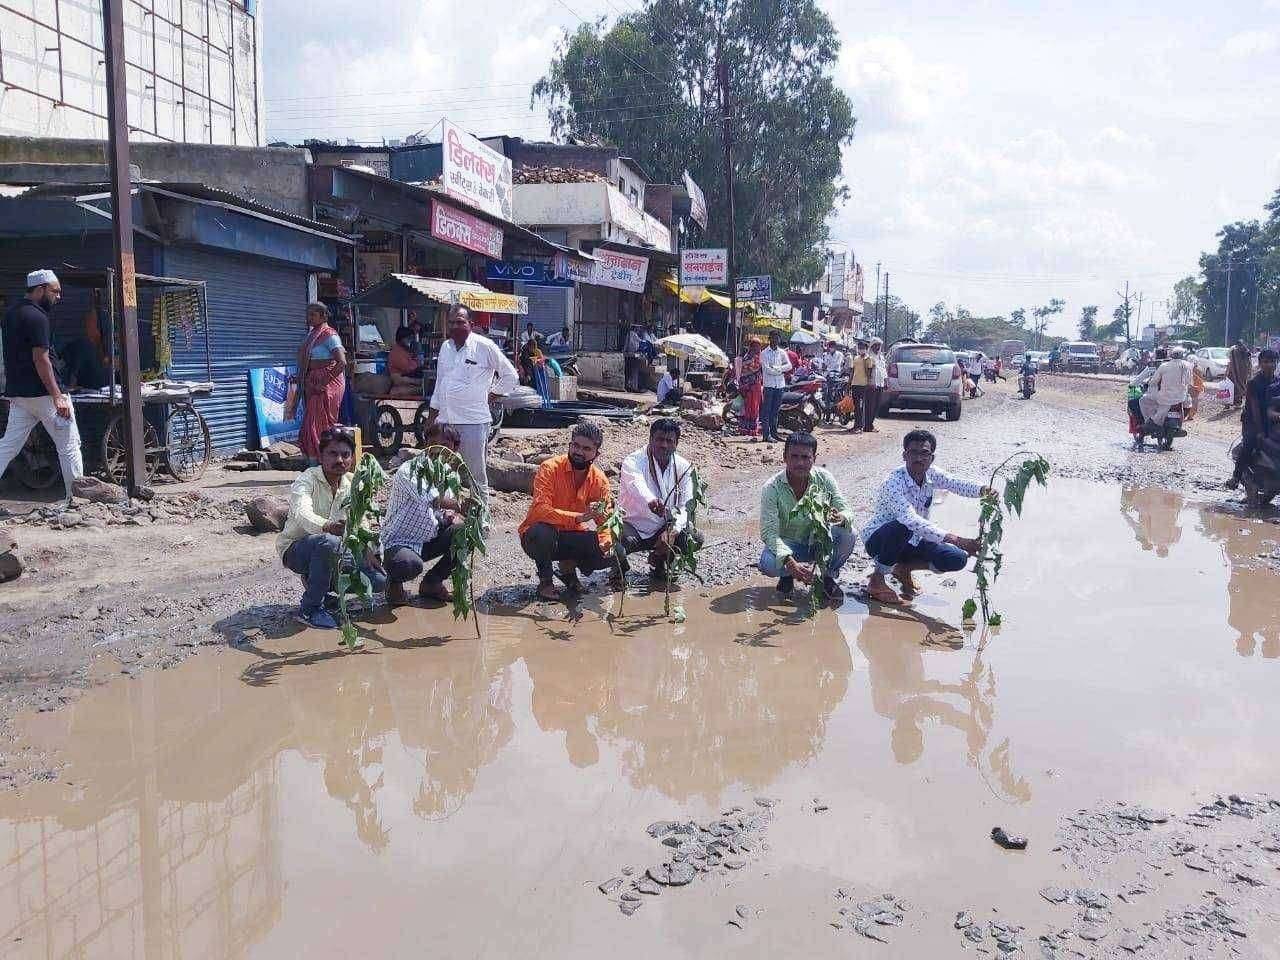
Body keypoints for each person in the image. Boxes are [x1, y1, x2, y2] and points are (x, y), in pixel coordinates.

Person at [862, 429, 991, 605]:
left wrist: (983, 490)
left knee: (957, 558)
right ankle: (877, 580)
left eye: (924, 453)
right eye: (913, 452)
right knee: (904, 526)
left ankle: (903, 569)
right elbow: (910, 520)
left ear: (932, 458)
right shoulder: (892, 483)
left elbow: (955, 483)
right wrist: (957, 539)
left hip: (913, 540)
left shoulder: (931, 474)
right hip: (880, 541)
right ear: (904, 455)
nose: (919, 458)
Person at [278, 427, 386, 630]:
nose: (340, 460)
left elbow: (362, 520)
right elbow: (302, 513)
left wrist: (367, 549)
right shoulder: (307, 479)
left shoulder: (353, 483)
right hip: (297, 550)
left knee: (378, 580)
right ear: (321, 456)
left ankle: (319, 587)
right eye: (333, 454)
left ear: (352, 457)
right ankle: (310, 609)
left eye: (345, 455)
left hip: (335, 551)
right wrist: (327, 526)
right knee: (329, 542)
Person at [424, 304, 519, 512]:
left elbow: (511, 376)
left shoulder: (484, 346)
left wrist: (492, 394)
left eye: (460, 322)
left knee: (476, 476)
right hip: (445, 423)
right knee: (441, 472)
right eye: (451, 323)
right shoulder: (445, 348)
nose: (455, 326)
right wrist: (431, 418)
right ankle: (441, 517)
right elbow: (440, 384)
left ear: (471, 324)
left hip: (473, 424)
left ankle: (481, 519)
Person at [0, 270, 84, 501]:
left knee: (8, 447)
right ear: (40, 290)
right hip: (45, 395)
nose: (59, 297)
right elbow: (41, 359)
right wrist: (57, 395)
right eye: (55, 291)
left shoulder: (11, 314)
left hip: (20, 395)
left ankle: (76, 498)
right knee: (69, 445)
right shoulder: (37, 318)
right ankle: (77, 500)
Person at [518, 422, 626, 601]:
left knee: (617, 551)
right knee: (541, 532)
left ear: (596, 454)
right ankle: (545, 582)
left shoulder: (599, 480)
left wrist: (606, 542)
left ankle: (567, 570)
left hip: (572, 536)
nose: (579, 452)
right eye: (575, 445)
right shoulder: (550, 468)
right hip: (538, 537)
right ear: (570, 445)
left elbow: (605, 522)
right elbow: (540, 510)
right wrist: (578, 517)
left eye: (586, 448)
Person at [758, 432, 857, 599]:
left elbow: (846, 510)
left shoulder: (824, 478)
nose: (800, 463)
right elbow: (769, 532)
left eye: (805, 457)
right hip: (789, 545)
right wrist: (790, 563)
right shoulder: (772, 487)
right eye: (794, 456)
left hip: (818, 543)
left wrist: (840, 517)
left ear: (814, 459)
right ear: (784, 457)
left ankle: (827, 577)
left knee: (849, 533)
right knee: (768, 563)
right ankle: (787, 576)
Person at [381, 425, 463, 607]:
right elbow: (433, 499)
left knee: (465, 533)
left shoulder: (450, 475)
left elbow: (444, 509)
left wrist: (451, 515)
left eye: (444, 445)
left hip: (427, 538)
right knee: (408, 564)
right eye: (433, 443)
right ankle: (394, 583)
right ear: (426, 444)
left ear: (454, 449)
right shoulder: (409, 470)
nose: (438, 450)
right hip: (399, 542)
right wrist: (459, 506)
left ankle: (432, 582)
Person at [618, 417, 704, 579]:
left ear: (676, 444)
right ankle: (619, 571)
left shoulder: (684, 467)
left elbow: (686, 505)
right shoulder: (633, 461)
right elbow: (637, 486)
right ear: (650, 439)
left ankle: (659, 559)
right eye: (659, 439)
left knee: (694, 538)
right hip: (634, 526)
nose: (663, 445)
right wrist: (651, 501)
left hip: (663, 527)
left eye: (669, 441)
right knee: (615, 540)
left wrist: (673, 531)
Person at [295, 302, 347, 461]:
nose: (309, 318)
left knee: (318, 424)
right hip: (313, 383)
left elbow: (342, 362)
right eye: (308, 315)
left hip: (327, 385)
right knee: (310, 424)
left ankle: (322, 461)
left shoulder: (330, 335)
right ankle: (315, 461)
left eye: (313, 315)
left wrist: (323, 382)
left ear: (323, 316)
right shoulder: (312, 335)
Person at [1226, 347, 1278, 489]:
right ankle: (1236, 477)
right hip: (1253, 422)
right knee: (1249, 445)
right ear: (1260, 363)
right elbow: (1254, 409)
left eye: (1273, 361)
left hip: (1272, 421)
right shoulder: (1254, 383)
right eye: (1266, 361)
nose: (1270, 365)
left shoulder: (1277, 382)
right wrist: (1260, 431)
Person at [1138, 347, 1192, 427]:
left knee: (1143, 400)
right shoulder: (1188, 365)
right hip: (1182, 398)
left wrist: (1149, 383)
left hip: (1165, 398)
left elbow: (1153, 382)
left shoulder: (1164, 366)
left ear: (1171, 355)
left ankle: (1149, 421)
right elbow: (1189, 382)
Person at [760, 330, 794, 443]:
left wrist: (778, 369)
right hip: (769, 385)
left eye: (777, 338)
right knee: (767, 411)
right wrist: (779, 371)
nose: (775, 340)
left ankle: (774, 434)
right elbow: (766, 370)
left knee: (775, 411)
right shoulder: (764, 353)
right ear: (769, 339)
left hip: (779, 385)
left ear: (779, 339)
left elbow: (789, 366)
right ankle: (766, 435)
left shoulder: (782, 353)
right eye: (773, 338)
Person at [736, 340, 764, 438]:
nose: (757, 348)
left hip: (756, 386)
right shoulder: (749, 357)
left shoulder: (758, 357)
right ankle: (747, 429)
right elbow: (745, 372)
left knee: (754, 407)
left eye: (758, 346)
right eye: (755, 346)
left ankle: (751, 429)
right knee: (748, 408)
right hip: (748, 387)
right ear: (751, 347)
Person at [862, 338, 887, 432]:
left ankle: (870, 424)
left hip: (880, 384)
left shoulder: (881, 357)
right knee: (870, 406)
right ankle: (867, 426)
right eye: (876, 345)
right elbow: (867, 371)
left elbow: (884, 370)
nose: (878, 347)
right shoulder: (869, 357)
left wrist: (886, 382)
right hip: (871, 384)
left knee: (877, 405)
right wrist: (869, 382)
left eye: (879, 345)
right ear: (872, 346)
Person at [847, 341, 868, 433]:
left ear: (866, 349)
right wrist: (849, 383)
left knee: (862, 406)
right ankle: (856, 425)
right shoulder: (855, 358)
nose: (861, 349)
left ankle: (861, 426)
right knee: (856, 407)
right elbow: (852, 371)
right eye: (859, 348)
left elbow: (870, 373)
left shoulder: (868, 359)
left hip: (864, 385)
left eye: (862, 348)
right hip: (855, 384)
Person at [1228, 340, 1253, 408]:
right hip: (1243, 373)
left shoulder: (1234, 351)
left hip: (1235, 373)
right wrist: (1249, 373)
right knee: (1240, 387)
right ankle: (1238, 402)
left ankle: (1235, 402)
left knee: (1235, 388)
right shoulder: (1247, 351)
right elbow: (1250, 363)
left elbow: (1230, 363)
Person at [624, 324, 645, 392]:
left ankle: (630, 386)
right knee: (632, 372)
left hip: (630, 355)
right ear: (635, 328)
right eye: (638, 328)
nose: (639, 329)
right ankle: (632, 387)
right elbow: (636, 344)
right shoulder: (632, 334)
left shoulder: (631, 334)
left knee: (630, 372)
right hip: (632, 356)